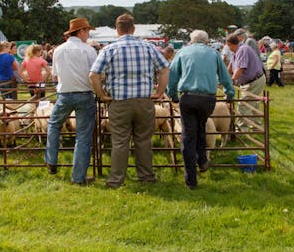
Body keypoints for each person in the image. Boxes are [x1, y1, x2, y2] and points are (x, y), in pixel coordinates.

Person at [89, 13, 169, 188]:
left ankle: (116, 179)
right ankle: (146, 176)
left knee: (119, 142)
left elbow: (93, 75)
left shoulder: (109, 49)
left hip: (119, 102)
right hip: (144, 101)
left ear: (117, 30)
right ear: (133, 29)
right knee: (144, 140)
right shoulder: (148, 47)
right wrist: (159, 92)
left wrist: (102, 95)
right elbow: (164, 69)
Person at [166, 30, 235, 189]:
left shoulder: (182, 52)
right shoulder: (214, 53)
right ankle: (202, 160)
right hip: (208, 99)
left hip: (188, 98)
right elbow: (224, 76)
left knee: (189, 136)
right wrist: (229, 93)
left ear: (191, 41)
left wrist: (173, 95)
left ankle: (191, 179)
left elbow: (173, 75)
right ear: (206, 41)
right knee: (201, 127)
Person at [45, 18, 98, 185]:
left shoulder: (59, 50)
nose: (88, 34)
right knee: (83, 136)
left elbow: (55, 75)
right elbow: (95, 74)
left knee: (54, 124)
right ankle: (78, 178)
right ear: (81, 31)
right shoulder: (89, 50)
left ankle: (51, 160)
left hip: (65, 95)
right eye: (87, 31)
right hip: (85, 94)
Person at [225, 33, 265, 130]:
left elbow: (240, 68)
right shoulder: (237, 51)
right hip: (253, 80)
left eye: (228, 46)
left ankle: (242, 129)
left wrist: (231, 81)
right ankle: (257, 126)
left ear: (230, 44)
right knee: (253, 104)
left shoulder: (243, 50)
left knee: (243, 105)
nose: (228, 48)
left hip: (254, 81)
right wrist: (224, 78)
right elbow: (230, 68)